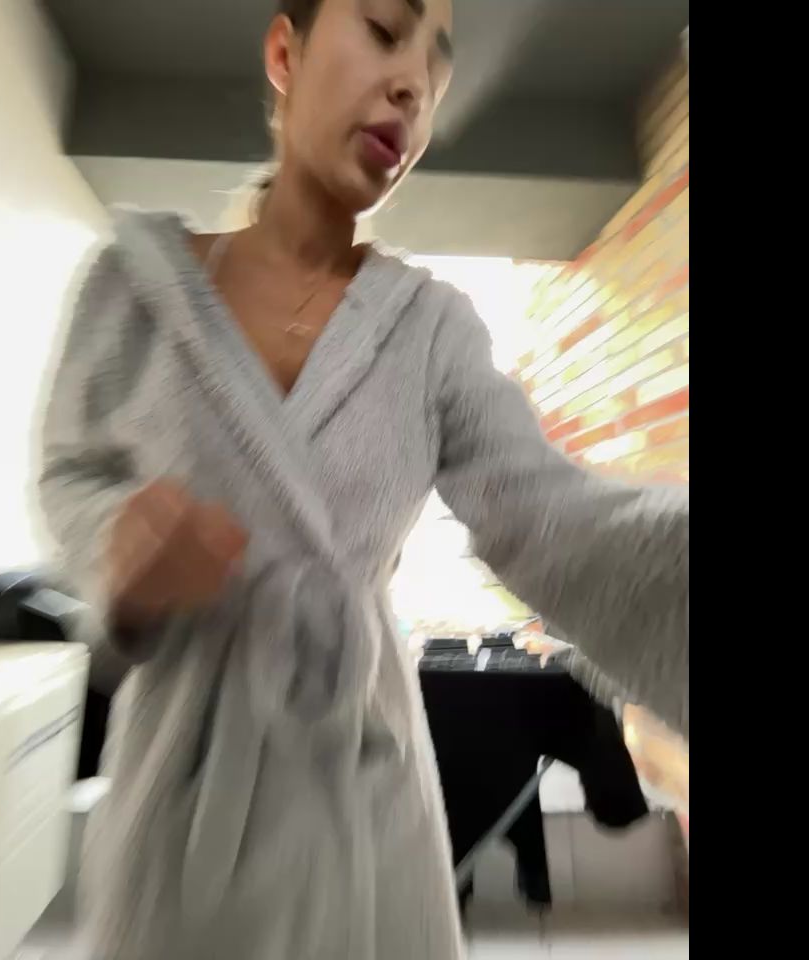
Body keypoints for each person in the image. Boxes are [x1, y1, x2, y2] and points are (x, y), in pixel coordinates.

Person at [38, 1, 688, 957]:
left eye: (438, 68)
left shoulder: (431, 331)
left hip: (364, 807)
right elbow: (72, 475)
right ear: (284, 51)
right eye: (386, 29)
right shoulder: (132, 289)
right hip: (181, 810)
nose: (414, 85)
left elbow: (556, 517)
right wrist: (116, 548)